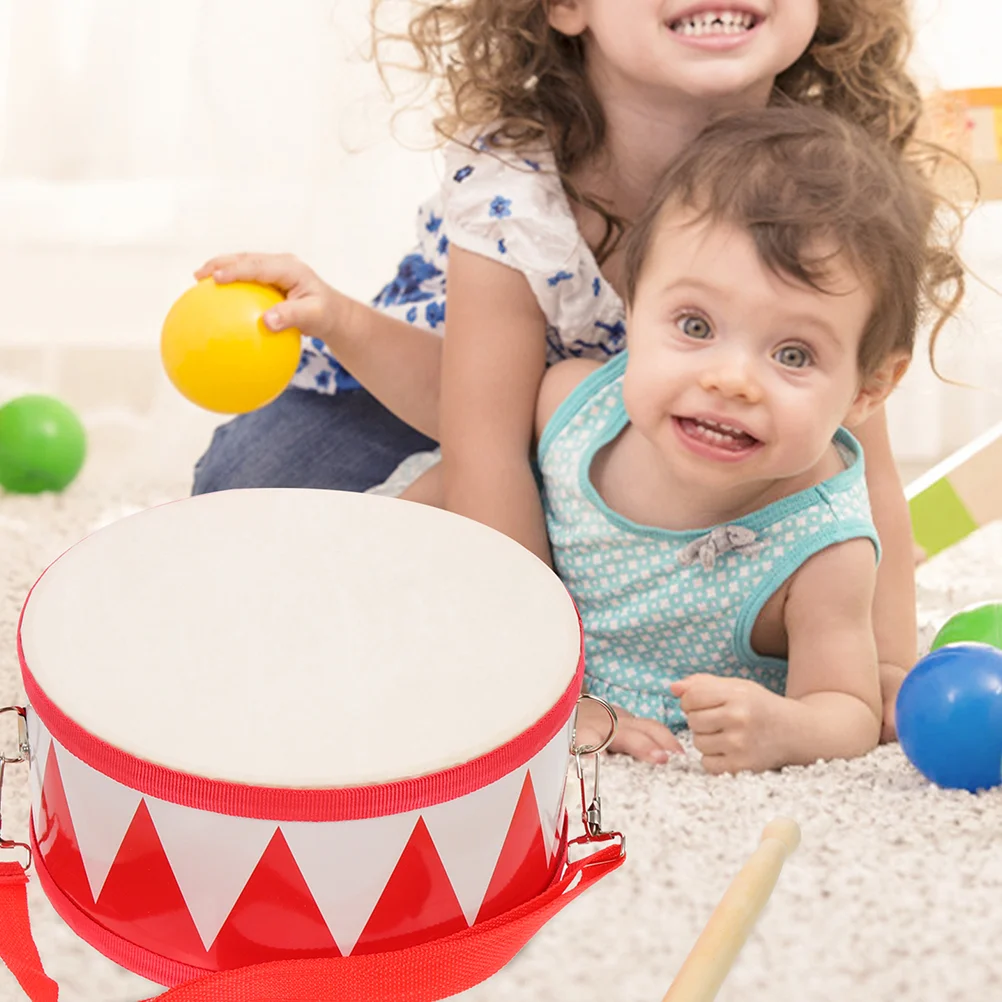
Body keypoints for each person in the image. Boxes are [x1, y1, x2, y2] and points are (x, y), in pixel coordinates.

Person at [190, 1, 950, 740]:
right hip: (456, 393)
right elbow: (485, 445)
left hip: (677, 443)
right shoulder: (515, 183)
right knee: (253, 502)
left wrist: (885, 664)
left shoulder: (826, 186)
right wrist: (545, 684)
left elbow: (861, 465)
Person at [539, 104, 963, 772]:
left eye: (793, 355)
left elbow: (846, 711)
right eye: (697, 326)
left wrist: (784, 726)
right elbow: (457, 490)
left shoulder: (822, 547)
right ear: (632, 301)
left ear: (868, 389)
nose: (732, 380)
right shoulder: (572, 409)